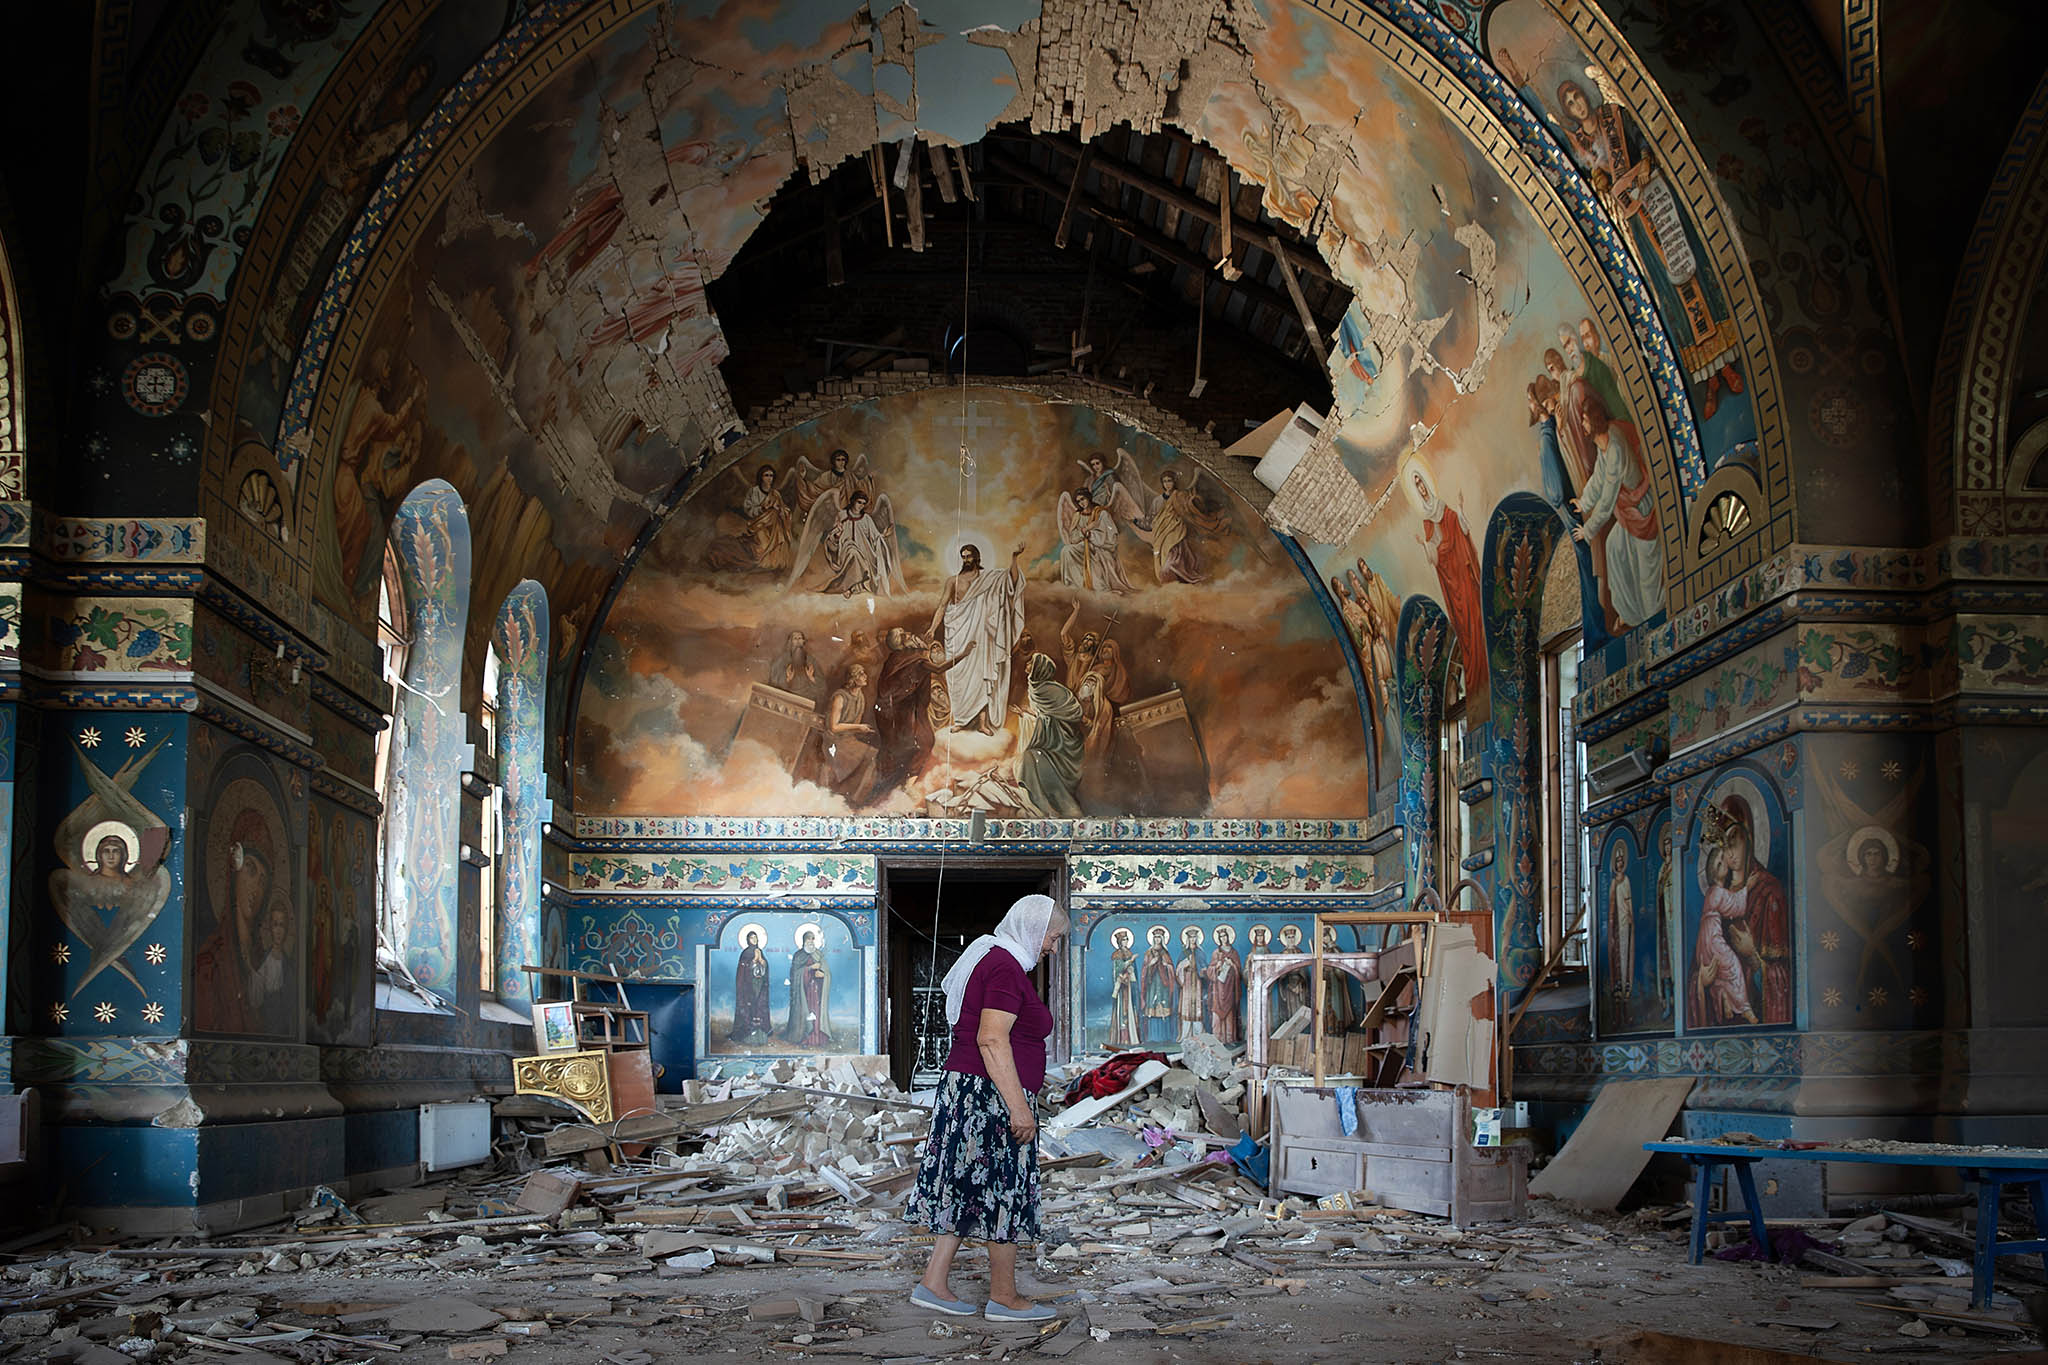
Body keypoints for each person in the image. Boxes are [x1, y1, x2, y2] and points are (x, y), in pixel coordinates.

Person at [908, 895, 1067, 1322]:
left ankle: (933, 1283)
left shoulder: (997, 960)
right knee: (1003, 1193)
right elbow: (991, 1039)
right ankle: (1004, 1296)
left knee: (968, 1189)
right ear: (1033, 930)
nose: (1053, 946)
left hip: (974, 1091)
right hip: (990, 1097)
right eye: (1053, 937)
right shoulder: (1002, 966)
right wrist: (1019, 1107)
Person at [929, 543, 1027, 734]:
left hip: (982, 637)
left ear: (977, 557)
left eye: (969, 556)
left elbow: (1013, 581)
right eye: (963, 557)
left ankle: (982, 723)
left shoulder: (989, 578)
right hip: (958, 635)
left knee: (981, 677)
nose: (966, 560)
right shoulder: (953, 581)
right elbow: (942, 606)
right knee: (958, 676)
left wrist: (1014, 558)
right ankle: (961, 720)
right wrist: (933, 628)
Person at [1017, 653, 1085, 817]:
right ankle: (1044, 805)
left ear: (1038, 669)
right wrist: (1029, 714)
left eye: (1031, 663)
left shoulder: (1051, 690)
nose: (1027, 665)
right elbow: (1045, 715)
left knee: (1033, 759)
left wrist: (1036, 716)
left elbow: (1074, 713)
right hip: (1048, 742)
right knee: (1028, 758)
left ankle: (1058, 807)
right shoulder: (1036, 688)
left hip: (1061, 744)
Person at [732, 929, 773, 1044]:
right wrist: (754, 961)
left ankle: (761, 1035)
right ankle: (748, 1036)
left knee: (759, 1007)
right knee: (750, 1007)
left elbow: (765, 968)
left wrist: (762, 961)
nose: (754, 940)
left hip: (760, 985)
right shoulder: (745, 953)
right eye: (752, 938)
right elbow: (742, 971)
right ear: (747, 940)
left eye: (756, 937)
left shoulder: (760, 951)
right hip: (748, 987)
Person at [1139, 925, 1177, 1044]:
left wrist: (1167, 966)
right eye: (1155, 938)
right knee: (1152, 1008)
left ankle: (1165, 1037)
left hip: (1164, 985)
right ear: (1152, 939)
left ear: (1162, 939)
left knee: (1164, 1007)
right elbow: (1144, 970)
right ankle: (1152, 1037)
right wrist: (1151, 964)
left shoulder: (1165, 953)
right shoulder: (1148, 953)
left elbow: (1171, 968)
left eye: (1159, 938)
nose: (1157, 940)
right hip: (1152, 986)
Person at [1106, 927, 1140, 1048]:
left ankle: (1132, 1037)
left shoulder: (1129, 953)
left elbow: (1133, 970)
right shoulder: (1116, 955)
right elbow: (1118, 970)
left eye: (1127, 939)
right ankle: (1123, 1038)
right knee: (1122, 1011)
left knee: (1130, 1009)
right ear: (1119, 942)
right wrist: (1130, 961)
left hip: (1130, 986)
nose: (1125, 942)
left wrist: (1132, 972)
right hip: (1122, 988)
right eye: (1123, 940)